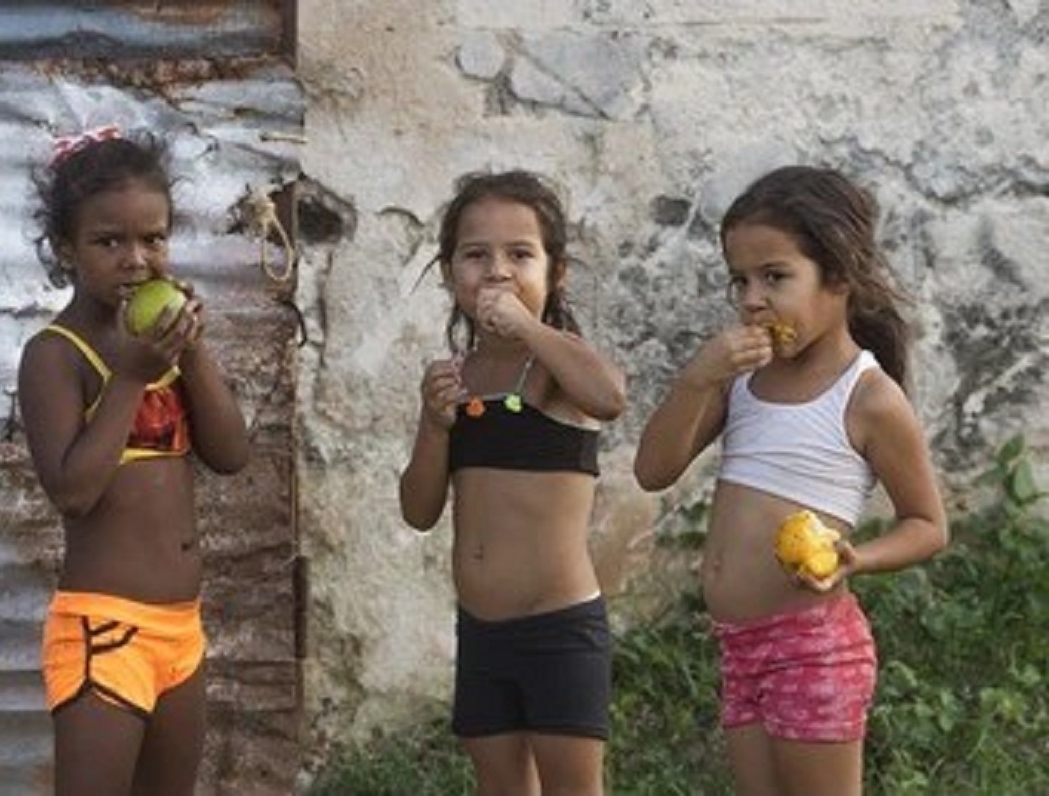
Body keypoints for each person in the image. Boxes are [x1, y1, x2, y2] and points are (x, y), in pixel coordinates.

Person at [634, 165, 949, 796]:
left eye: (775, 277)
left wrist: (856, 558)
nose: (752, 299)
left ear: (838, 276)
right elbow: (652, 470)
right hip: (740, 647)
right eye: (741, 281)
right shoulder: (741, 380)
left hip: (813, 647)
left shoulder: (867, 398)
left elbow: (928, 526)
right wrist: (697, 378)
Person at [18, 126, 250, 796]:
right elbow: (73, 491)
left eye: (153, 239)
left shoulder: (164, 347)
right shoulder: (56, 355)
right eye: (108, 241)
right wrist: (128, 378)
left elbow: (230, 454)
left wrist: (194, 352)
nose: (136, 259)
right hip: (103, 632)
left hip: (182, 633)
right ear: (67, 250)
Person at [399, 170, 627, 796]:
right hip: (481, 632)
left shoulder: (555, 368)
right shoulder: (458, 378)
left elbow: (610, 397)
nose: (497, 272)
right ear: (450, 274)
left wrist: (530, 328)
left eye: (520, 255)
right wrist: (433, 424)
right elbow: (418, 510)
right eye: (477, 256)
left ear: (557, 273)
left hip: (556, 631)